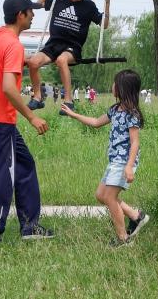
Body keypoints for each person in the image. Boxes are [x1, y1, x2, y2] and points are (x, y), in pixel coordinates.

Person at [0, 0, 55, 245]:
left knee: (24, 166)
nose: (33, 15)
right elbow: (9, 88)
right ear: (21, 15)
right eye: (30, 11)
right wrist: (32, 117)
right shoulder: (12, 44)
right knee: (2, 176)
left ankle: (30, 226)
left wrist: (18, 61)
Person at [61, 70, 149, 246]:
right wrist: (74, 115)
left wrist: (129, 166)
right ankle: (136, 216)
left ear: (123, 88)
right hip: (115, 160)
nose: (112, 86)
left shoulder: (132, 115)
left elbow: (135, 143)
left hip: (123, 161)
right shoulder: (115, 110)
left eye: (115, 83)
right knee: (101, 195)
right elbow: (95, 123)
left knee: (109, 198)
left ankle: (123, 239)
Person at [26, 0, 111, 114]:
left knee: (61, 60)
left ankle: (69, 101)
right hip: (53, 45)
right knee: (33, 62)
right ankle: (38, 96)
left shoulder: (89, 6)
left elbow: (104, 24)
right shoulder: (60, 0)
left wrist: (107, 3)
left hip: (72, 47)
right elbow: (38, 4)